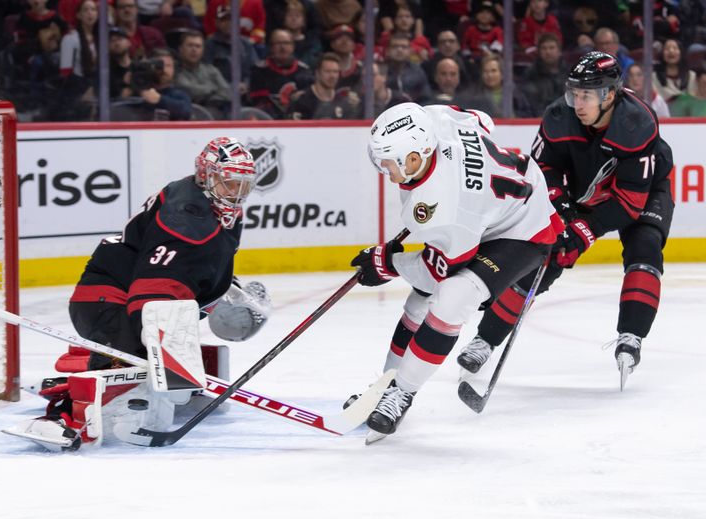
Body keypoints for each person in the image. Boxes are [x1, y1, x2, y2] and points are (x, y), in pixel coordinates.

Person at [5, 138, 272, 450]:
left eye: (243, 185)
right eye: (228, 183)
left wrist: (223, 294)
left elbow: (200, 271)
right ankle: (62, 414)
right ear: (206, 175)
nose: (236, 194)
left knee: (146, 356)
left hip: (129, 296)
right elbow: (153, 290)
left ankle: (110, 359)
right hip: (104, 301)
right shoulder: (185, 217)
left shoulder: (213, 208)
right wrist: (153, 355)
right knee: (133, 361)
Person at [457, 52, 675, 390]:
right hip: (580, 190)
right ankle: (485, 340)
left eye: (586, 95)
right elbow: (542, 171)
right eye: (574, 93)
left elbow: (630, 203)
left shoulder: (637, 123)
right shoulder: (559, 116)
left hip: (644, 192)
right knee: (546, 255)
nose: (577, 102)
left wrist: (585, 229)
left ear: (611, 95)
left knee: (644, 247)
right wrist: (560, 209)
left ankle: (631, 335)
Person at [352, 102, 563, 437]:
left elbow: (435, 272)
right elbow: (482, 119)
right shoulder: (434, 118)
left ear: (415, 157)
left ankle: (402, 394)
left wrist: (388, 264)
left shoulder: (444, 208)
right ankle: (384, 386)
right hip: (491, 210)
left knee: (452, 296)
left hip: (523, 231)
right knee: (418, 302)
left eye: (389, 163)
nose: (384, 171)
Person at [174, 30, 231, 119]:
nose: (194, 50)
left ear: (203, 50)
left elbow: (227, 93)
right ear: (180, 49)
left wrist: (208, 100)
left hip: (215, 116)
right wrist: (213, 89)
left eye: (198, 46)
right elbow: (189, 91)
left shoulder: (211, 70)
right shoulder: (174, 70)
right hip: (186, 117)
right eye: (190, 45)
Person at [288, 52, 360, 119]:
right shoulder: (302, 101)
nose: (332, 76)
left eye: (335, 72)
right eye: (327, 71)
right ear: (317, 73)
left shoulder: (343, 102)